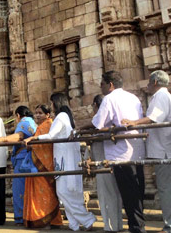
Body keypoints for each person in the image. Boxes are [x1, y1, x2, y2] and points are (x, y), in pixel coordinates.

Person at [122, 70, 171, 233]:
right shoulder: (164, 96)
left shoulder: (161, 96)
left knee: (168, 190)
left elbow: (154, 117)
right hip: (168, 149)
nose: (146, 85)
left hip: (165, 150)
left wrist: (134, 122)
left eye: (148, 82)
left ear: (155, 82)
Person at [26, 93, 96, 231]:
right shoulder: (66, 117)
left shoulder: (61, 116)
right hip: (65, 157)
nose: (51, 106)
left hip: (65, 159)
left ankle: (87, 220)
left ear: (56, 103)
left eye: (52, 103)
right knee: (68, 192)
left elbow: (52, 136)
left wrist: (33, 139)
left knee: (63, 191)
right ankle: (74, 224)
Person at [89, 70, 147, 233]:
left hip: (121, 154)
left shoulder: (109, 98)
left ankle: (137, 228)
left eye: (102, 84)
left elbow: (97, 124)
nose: (101, 87)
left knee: (128, 193)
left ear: (110, 85)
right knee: (137, 191)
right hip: (137, 150)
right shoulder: (133, 98)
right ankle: (138, 226)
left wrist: (82, 128)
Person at [0, 105, 37, 225]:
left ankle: (21, 217)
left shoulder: (24, 123)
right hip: (29, 160)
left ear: (18, 116)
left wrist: (1, 139)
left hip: (23, 161)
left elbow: (19, 136)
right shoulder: (33, 123)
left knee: (19, 190)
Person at [23, 105, 63, 229]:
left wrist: (31, 145)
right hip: (44, 164)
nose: (37, 115)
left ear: (47, 114)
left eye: (40, 113)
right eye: (36, 113)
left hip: (43, 164)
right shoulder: (43, 126)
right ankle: (52, 220)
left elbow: (42, 142)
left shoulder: (47, 126)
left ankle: (44, 221)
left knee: (44, 192)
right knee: (46, 192)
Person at [91, 95, 123, 233]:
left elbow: (94, 135)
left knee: (106, 195)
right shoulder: (111, 121)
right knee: (115, 193)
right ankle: (117, 225)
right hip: (110, 160)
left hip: (102, 162)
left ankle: (110, 226)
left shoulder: (99, 121)